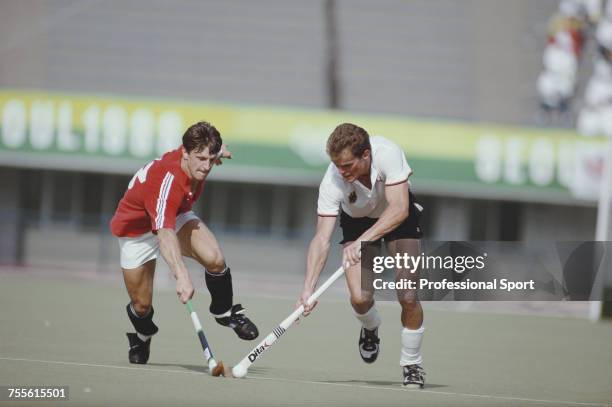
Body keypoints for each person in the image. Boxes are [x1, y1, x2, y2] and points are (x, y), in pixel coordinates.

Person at [110, 121, 259, 365]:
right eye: (200, 159)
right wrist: (181, 275)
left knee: (214, 258)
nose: (206, 166)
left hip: (174, 215)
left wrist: (217, 153)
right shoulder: (167, 180)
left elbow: (205, 155)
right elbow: (164, 233)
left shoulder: (199, 155)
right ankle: (142, 335)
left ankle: (225, 313)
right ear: (185, 153)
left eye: (211, 159)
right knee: (142, 306)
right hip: (136, 232)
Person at [296, 123, 426, 388]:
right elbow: (321, 239)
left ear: (366, 155)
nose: (341, 173)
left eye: (347, 166)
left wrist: (364, 241)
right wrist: (308, 289)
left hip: (397, 216)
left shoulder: (387, 153)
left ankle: (411, 364)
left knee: (408, 295)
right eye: (336, 165)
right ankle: (370, 327)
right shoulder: (332, 180)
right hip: (356, 223)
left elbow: (400, 208)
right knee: (359, 298)